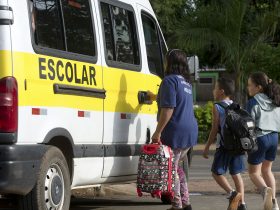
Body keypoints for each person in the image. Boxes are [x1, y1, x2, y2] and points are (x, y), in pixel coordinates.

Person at [148, 49, 198, 210]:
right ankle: (186, 203)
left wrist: (157, 132)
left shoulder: (169, 81)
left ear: (170, 62)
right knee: (176, 169)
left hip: (176, 133)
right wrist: (155, 96)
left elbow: (168, 108)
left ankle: (177, 205)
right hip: (189, 133)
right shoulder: (186, 83)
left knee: (170, 171)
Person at [203, 78, 247, 210]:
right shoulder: (237, 105)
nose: (213, 90)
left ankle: (232, 193)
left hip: (224, 146)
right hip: (238, 146)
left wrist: (206, 147)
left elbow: (214, 129)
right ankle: (242, 205)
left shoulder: (217, 106)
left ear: (221, 92)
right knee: (236, 174)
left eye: (215, 88)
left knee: (216, 173)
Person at [246, 72, 280, 210]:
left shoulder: (253, 102)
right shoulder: (275, 100)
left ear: (258, 87)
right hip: (274, 137)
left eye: (250, 85)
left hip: (260, 138)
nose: (248, 88)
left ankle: (265, 191)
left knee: (254, 173)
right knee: (267, 170)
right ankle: (275, 204)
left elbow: (248, 124)